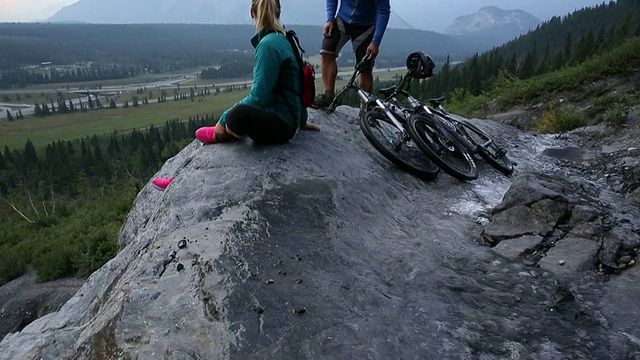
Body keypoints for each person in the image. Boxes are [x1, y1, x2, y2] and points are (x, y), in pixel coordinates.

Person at [153, 0, 319, 191]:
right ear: (279, 13)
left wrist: (223, 121)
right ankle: (229, 135)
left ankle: (219, 138)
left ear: (252, 13)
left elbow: (258, 98)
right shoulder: (286, 38)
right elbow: (297, 85)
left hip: (281, 125)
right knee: (238, 117)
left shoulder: (267, 45)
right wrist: (301, 119)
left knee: (237, 115)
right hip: (286, 119)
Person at [312, 0, 391, 109]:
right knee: (326, 52)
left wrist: (375, 42)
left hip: (366, 27)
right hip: (342, 20)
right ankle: (328, 97)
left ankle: (365, 108)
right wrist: (330, 19)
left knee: (365, 68)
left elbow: (383, 11)